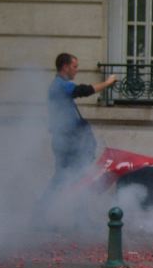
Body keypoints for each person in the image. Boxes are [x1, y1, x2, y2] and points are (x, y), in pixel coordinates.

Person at [46, 53, 117, 189]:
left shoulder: (59, 85)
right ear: (65, 67)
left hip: (68, 140)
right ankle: (43, 208)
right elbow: (82, 90)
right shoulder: (60, 85)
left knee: (75, 178)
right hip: (67, 142)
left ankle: (76, 208)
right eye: (74, 66)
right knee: (66, 178)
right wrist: (107, 83)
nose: (77, 69)